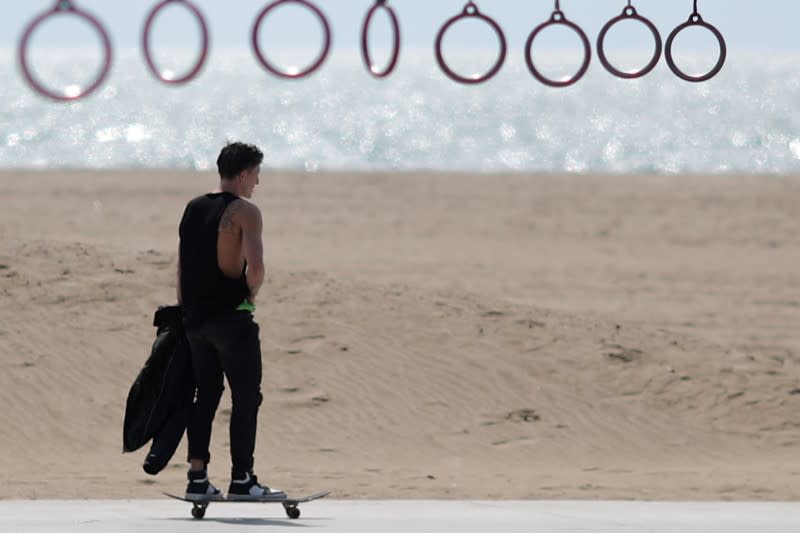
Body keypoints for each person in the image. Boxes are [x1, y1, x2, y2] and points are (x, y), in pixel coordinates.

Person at [177, 141, 285, 501]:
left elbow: (181, 267)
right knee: (246, 397)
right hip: (231, 320)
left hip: (195, 321)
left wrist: (186, 312)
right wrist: (249, 297)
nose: (257, 183)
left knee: (204, 396)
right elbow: (255, 269)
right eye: (255, 175)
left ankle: (197, 478)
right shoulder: (246, 212)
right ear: (242, 175)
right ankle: (243, 479)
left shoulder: (193, 208)